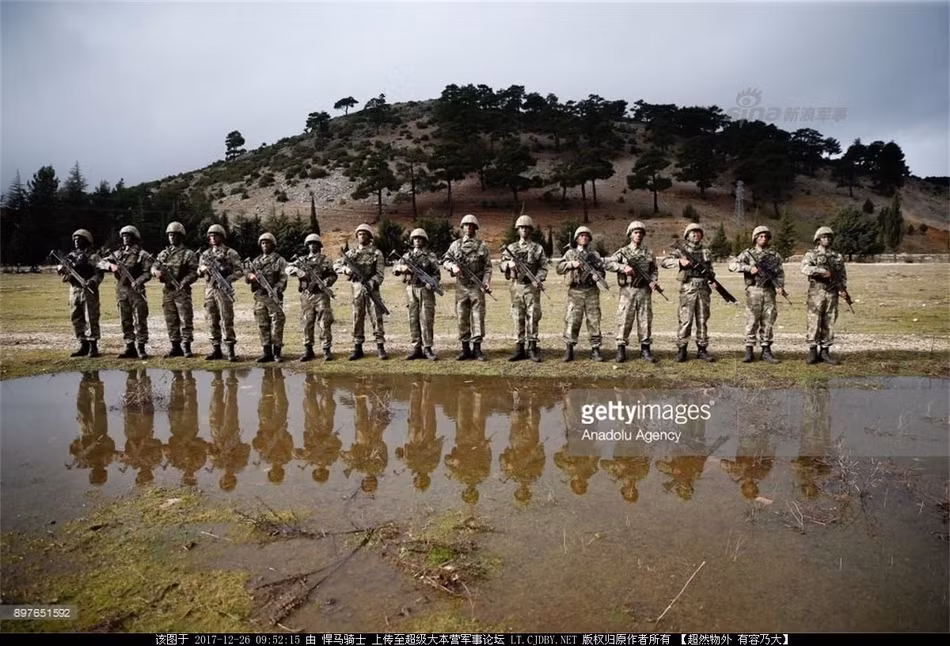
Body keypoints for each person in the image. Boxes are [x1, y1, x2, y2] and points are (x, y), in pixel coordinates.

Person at [604, 221, 662, 363]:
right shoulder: (623, 252)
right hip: (627, 291)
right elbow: (607, 263)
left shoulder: (648, 252)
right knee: (624, 319)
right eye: (636, 232)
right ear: (630, 234)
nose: (639, 235)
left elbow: (654, 269)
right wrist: (622, 268)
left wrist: (653, 280)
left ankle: (645, 349)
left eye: (641, 233)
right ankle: (621, 350)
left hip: (644, 291)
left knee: (645, 320)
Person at [728, 225, 787, 364]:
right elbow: (732, 265)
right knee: (752, 320)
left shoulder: (774, 255)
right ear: (755, 238)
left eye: (766, 236)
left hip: (769, 291)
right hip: (753, 290)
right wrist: (749, 268)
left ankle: (766, 351)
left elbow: (779, 273)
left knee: (768, 320)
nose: (763, 238)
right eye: (760, 236)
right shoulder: (748, 254)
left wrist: (780, 286)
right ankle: (749, 351)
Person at [662, 223, 716, 362]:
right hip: (688, 288)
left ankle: (702, 349)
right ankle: (682, 349)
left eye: (698, 232)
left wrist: (712, 279)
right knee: (685, 320)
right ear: (687, 235)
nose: (696, 234)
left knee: (702, 320)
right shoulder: (682, 250)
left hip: (703, 288)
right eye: (692, 232)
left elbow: (710, 269)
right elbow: (665, 262)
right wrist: (680, 262)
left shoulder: (706, 251)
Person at [442, 214, 493, 361]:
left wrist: (486, 282)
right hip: (461, 286)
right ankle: (465, 349)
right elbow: (445, 260)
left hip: (477, 287)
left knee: (478, 317)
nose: (468, 228)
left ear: (475, 228)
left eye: (471, 226)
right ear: (462, 227)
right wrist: (453, 267)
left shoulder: (482, 246)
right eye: (466, 225)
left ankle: (477, 349)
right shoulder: (455, 245)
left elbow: (488, 267)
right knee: (462, 316)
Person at [335, 224, 388, 360]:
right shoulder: (351, 253)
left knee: (376, 317)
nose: (362, 236)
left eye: (365, 234)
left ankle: (380, 346)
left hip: (372, 289)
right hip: (357, 289)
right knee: (357, 317)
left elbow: (380, 274)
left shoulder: (377, 253)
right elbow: (337, 265)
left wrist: (372, 282)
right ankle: (357, 347)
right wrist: (346, 270)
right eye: (359, 234)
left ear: (370, 237)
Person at [500, 215, 548, 362]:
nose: (524, 230)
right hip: (516, 287)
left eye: (527, 228)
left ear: (530, 230)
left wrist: (538, 279)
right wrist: (509, 265)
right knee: (517, 316)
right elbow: (502, 265)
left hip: (531, 287)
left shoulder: (537, 248)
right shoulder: (511, 248)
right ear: (518, 230)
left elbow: (543, 267)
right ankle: (519, 348)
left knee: (533, 316)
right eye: (522, 228)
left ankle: (532, 348)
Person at [556, 225, 606, 362]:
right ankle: (569, 349)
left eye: (586, 236)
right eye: (581, 236)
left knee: (594, 320)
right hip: (575, 291)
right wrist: (571, 264)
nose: (584, 238)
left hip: (591, 291)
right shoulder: (570, 254)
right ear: (576, 239)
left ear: (589, 238)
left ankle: (595, 349)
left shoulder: (594, 255)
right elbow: (559, 268)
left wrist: (599, 276)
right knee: (572, 320)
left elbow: (602, 270)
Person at [801, 226, 849, 365]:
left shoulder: (837, 257)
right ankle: (812, 351)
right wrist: (821, 271)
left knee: (829, 320)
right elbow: (804, 268)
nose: (826, 239)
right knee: (814, 321)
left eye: (828, 237)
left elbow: (842, 275)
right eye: (823, 237)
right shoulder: (811, 254)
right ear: (818, 239)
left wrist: (842, 289)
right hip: (816, 291)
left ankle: (825, 351)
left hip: (832, 292)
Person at [286, 233, 337, 361]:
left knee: (324, 322)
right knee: (307, 322)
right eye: (309, 244)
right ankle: (308, 350)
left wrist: (326, 282)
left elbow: (333, 275)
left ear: (319, 245)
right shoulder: (302, 260)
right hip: (306, 295)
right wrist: (298, 272)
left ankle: (326, 349)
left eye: (314, 243)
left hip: (321, 295)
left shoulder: (325, 260)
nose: (312, 246)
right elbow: (287, 268)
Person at [104, 225, 153, 359]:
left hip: (136, 291)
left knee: (140, 320)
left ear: (134, 238)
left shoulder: (142, 254)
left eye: (128, 236)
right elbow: (100, 262)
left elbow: (148, 273)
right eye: (124, 236)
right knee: (125, 320)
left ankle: (141, 347)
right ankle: (129, 346)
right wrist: (110, 266)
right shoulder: (118, 254)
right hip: (121, 291)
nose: (125, 238)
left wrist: (139, 281)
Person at [152, 221, 199, 358]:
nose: (172, 238)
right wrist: (156, 272)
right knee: (171, 319)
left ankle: (186, 346)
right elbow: (154, 267)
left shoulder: (188, 254)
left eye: (175, 235)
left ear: (181, 236)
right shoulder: (164, 254)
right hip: (168, 291)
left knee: (185, 319)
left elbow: (194, 272)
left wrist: (184, 281)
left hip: (182, 291)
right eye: (170, 235)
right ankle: (175, 346)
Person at [393, 228, 442, 360]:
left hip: (425, 290)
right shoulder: (407, 256)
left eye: (420, 238)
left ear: (424, 240)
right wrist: (402, 268)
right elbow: (395, 269)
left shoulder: (430, 256)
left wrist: (432, 283)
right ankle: (416, 347)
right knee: (413, 318)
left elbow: (437, 274)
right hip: (411, 289)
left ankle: (427, 348)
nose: (417, 241)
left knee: (426, 319)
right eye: (415, 238)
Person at [198, 224, 243, 362]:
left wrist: (228, 279)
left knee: (226, 319)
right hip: (210, 290)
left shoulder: (230, 253)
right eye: (210, 236)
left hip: (224, 290)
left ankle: (230, 350)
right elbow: (198, 271)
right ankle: (216, 349)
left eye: (215, 235)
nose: (212, 238)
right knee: (211, 320)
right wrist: (202, 269)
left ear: (221, 236)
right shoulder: (205, 254)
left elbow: (239, 271)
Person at [56, 229, 105, 357]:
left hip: (88, 290)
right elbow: (62, 269)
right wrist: (61, 269)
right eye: (75, 240)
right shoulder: (71, 256)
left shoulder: (94, 256)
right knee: (76, 317)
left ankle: (93, 346)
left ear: (87, 241)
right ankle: (83, 344)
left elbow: (99, 274)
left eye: (80, 239)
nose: (76, 242)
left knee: (90, 317)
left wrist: (92, 282)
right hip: (74, 290)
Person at [245, 232, 287, 363]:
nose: (265, 245)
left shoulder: (279, 260)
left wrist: (276, 289)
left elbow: (283, 278)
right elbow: (247, 274)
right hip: (260, 297)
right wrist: (250, 277)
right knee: (262, 325)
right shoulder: (256, 261)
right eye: (262, 243)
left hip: (273, 297)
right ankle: (266, 352)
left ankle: (277, 352)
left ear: (273, 244)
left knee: (277, 324)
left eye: (267, 242)